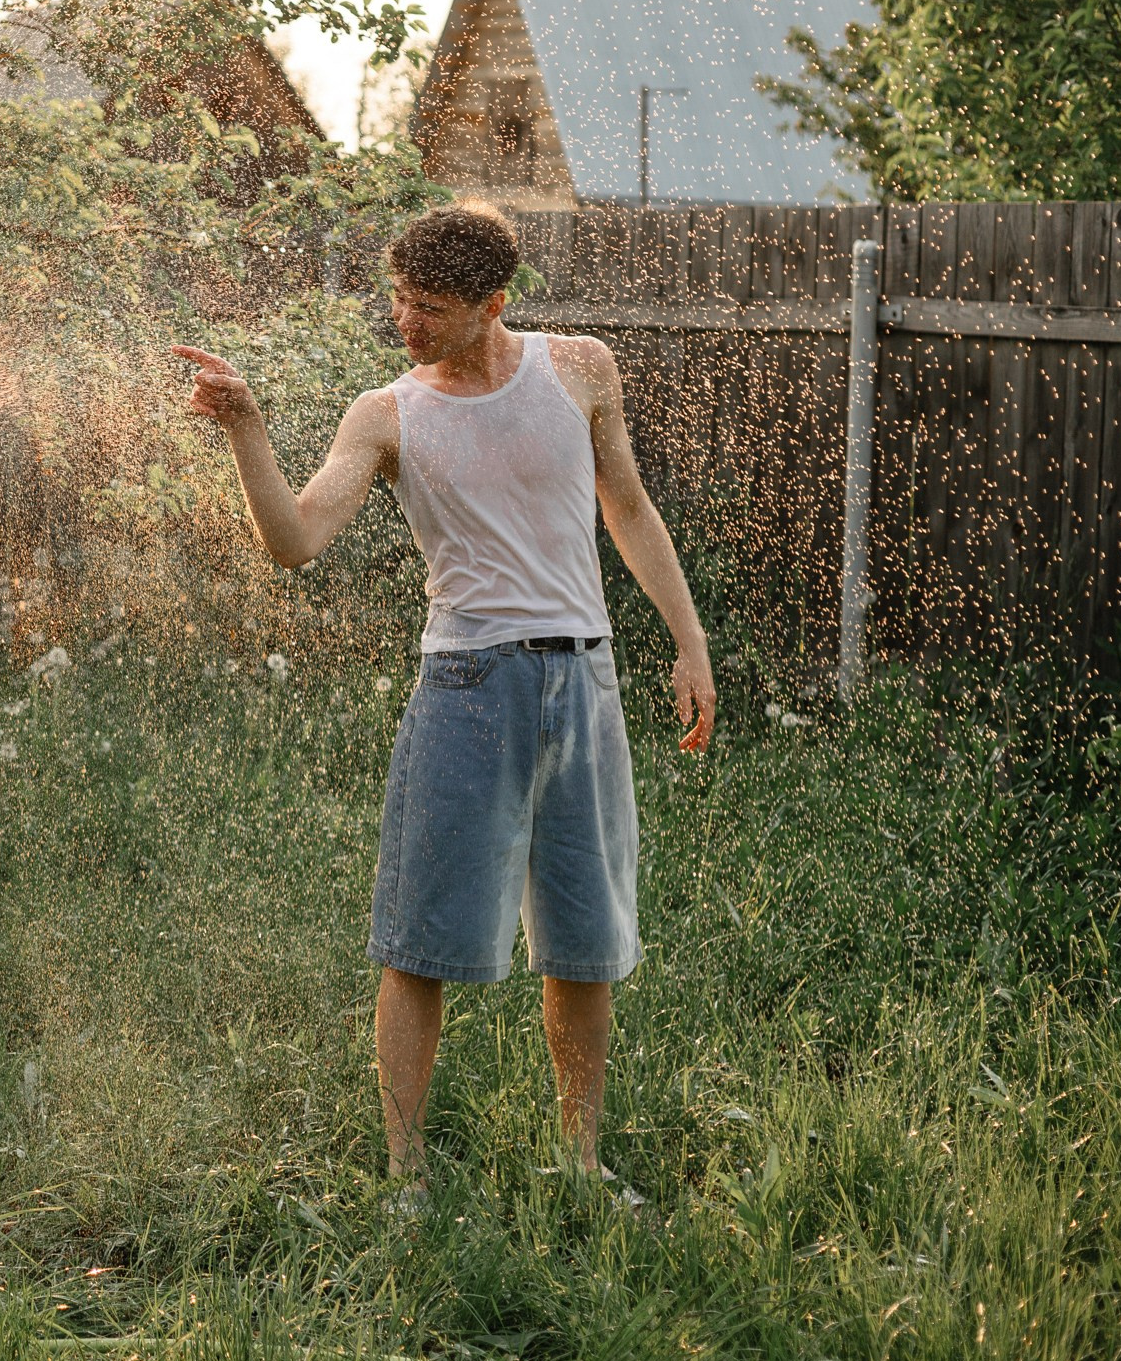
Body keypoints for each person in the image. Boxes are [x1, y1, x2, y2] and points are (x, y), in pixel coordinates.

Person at [173, 202, 715, 1207]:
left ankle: (582, 1163)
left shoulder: (580, 369)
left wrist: (688, 640)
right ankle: (406, 1179)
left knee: (585, 942)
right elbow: (292, 540)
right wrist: (246, 427)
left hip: (583, 678)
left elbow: (627, 507)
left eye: (428, 307)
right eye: (399, 299)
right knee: (420, 944)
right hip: (467, 688)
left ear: (490, 305)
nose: (404, 321)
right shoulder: (386, 414)